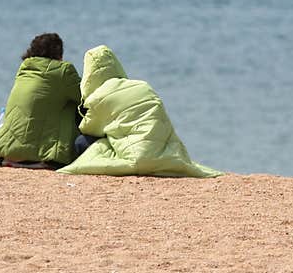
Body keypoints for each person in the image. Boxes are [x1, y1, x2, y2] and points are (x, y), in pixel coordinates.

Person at [58, 45, 221, 178]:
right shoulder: (143, 85)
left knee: (83, 142)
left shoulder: (98, 97)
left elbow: (89, 129)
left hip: (138, 158)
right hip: (167, 156)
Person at [0, 33, 81, 169]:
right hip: (42, 152)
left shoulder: (24, 69)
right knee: (72, 104)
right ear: (59, 53)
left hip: (7, 148)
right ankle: (47, 157)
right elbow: (84, 97)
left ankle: (17, 157)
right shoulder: (64, 71)